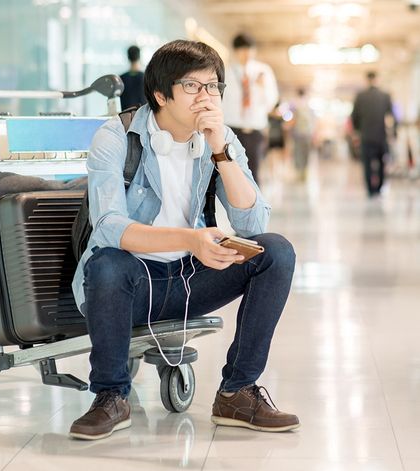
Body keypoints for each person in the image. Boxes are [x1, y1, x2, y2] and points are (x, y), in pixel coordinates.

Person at [70, 39, 299, 441]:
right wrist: (191, 239)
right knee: (107, 262)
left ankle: (236, 392)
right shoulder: (116, 137)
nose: (206, 97)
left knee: (276, 250)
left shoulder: (220, 136)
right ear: (161, 94)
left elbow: (253, 220)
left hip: (191, 278)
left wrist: (220, 151)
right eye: (193, 87)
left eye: (213, 87)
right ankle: (110, 395)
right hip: (130, 283)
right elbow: (108, 227)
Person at [222, 33, 279, 185]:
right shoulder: (226, 72)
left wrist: (262, 88)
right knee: (230, 170)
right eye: (243, 50)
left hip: (255, 129)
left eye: (250, 50)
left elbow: (271, 102)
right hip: (231, 129)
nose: (247, 54)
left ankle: (254, 206)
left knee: (253, 171)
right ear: (235, 51)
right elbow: (220, 101)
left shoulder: (263, 71)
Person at [351, 71, 395, 196]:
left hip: (366, 136)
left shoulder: (360, 96)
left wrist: (357, 130)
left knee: (367, 164)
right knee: (381, 162)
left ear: (366, 80)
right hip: (381, 136)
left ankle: (370, 189)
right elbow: (391, 117)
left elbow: (354, 116)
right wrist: (393, 133)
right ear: (377, 79)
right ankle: (379, 187)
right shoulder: (385, 96)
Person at [291, 88, 314, 181]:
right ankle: (305, 172)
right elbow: (313, 121)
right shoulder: (309, 106)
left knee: (298, 152)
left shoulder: (295, 105)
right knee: (306, 153)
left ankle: (299, 173)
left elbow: (293, 120)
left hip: (298, 133)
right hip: (307, 134)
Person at [119, 45, 146, 110]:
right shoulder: (146, 78)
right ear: (139, 57)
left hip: (125, 117)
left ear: (128, 57)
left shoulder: (121, 79)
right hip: (143, 117)